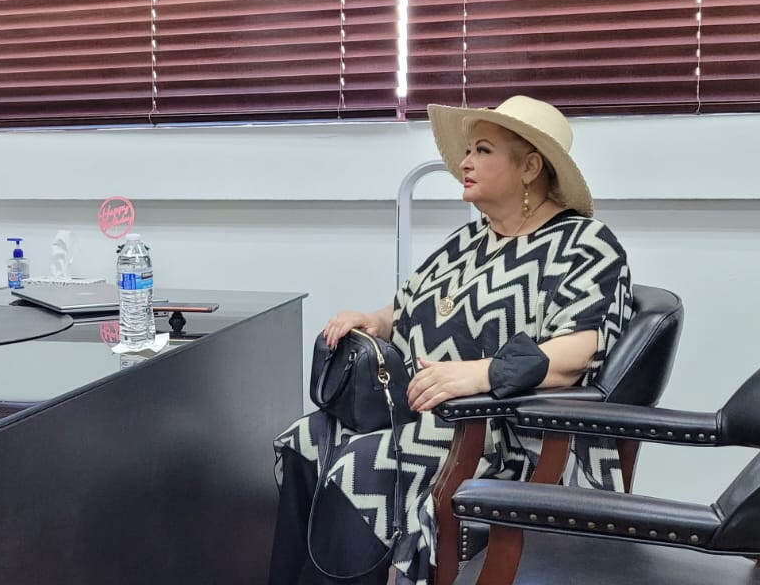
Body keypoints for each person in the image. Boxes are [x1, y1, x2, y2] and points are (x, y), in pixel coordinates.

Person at [270, 96, 634, 585]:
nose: (464, 162)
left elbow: (579, 351)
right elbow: (405, 308)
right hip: (423, 411)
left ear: (530, 167)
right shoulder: (468, 242)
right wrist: (374, 321)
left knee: (362, 464)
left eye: (483, 150)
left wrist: (477, 375)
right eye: (467, 150)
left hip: (506, 434)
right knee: (304, 440)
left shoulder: (585, 245)